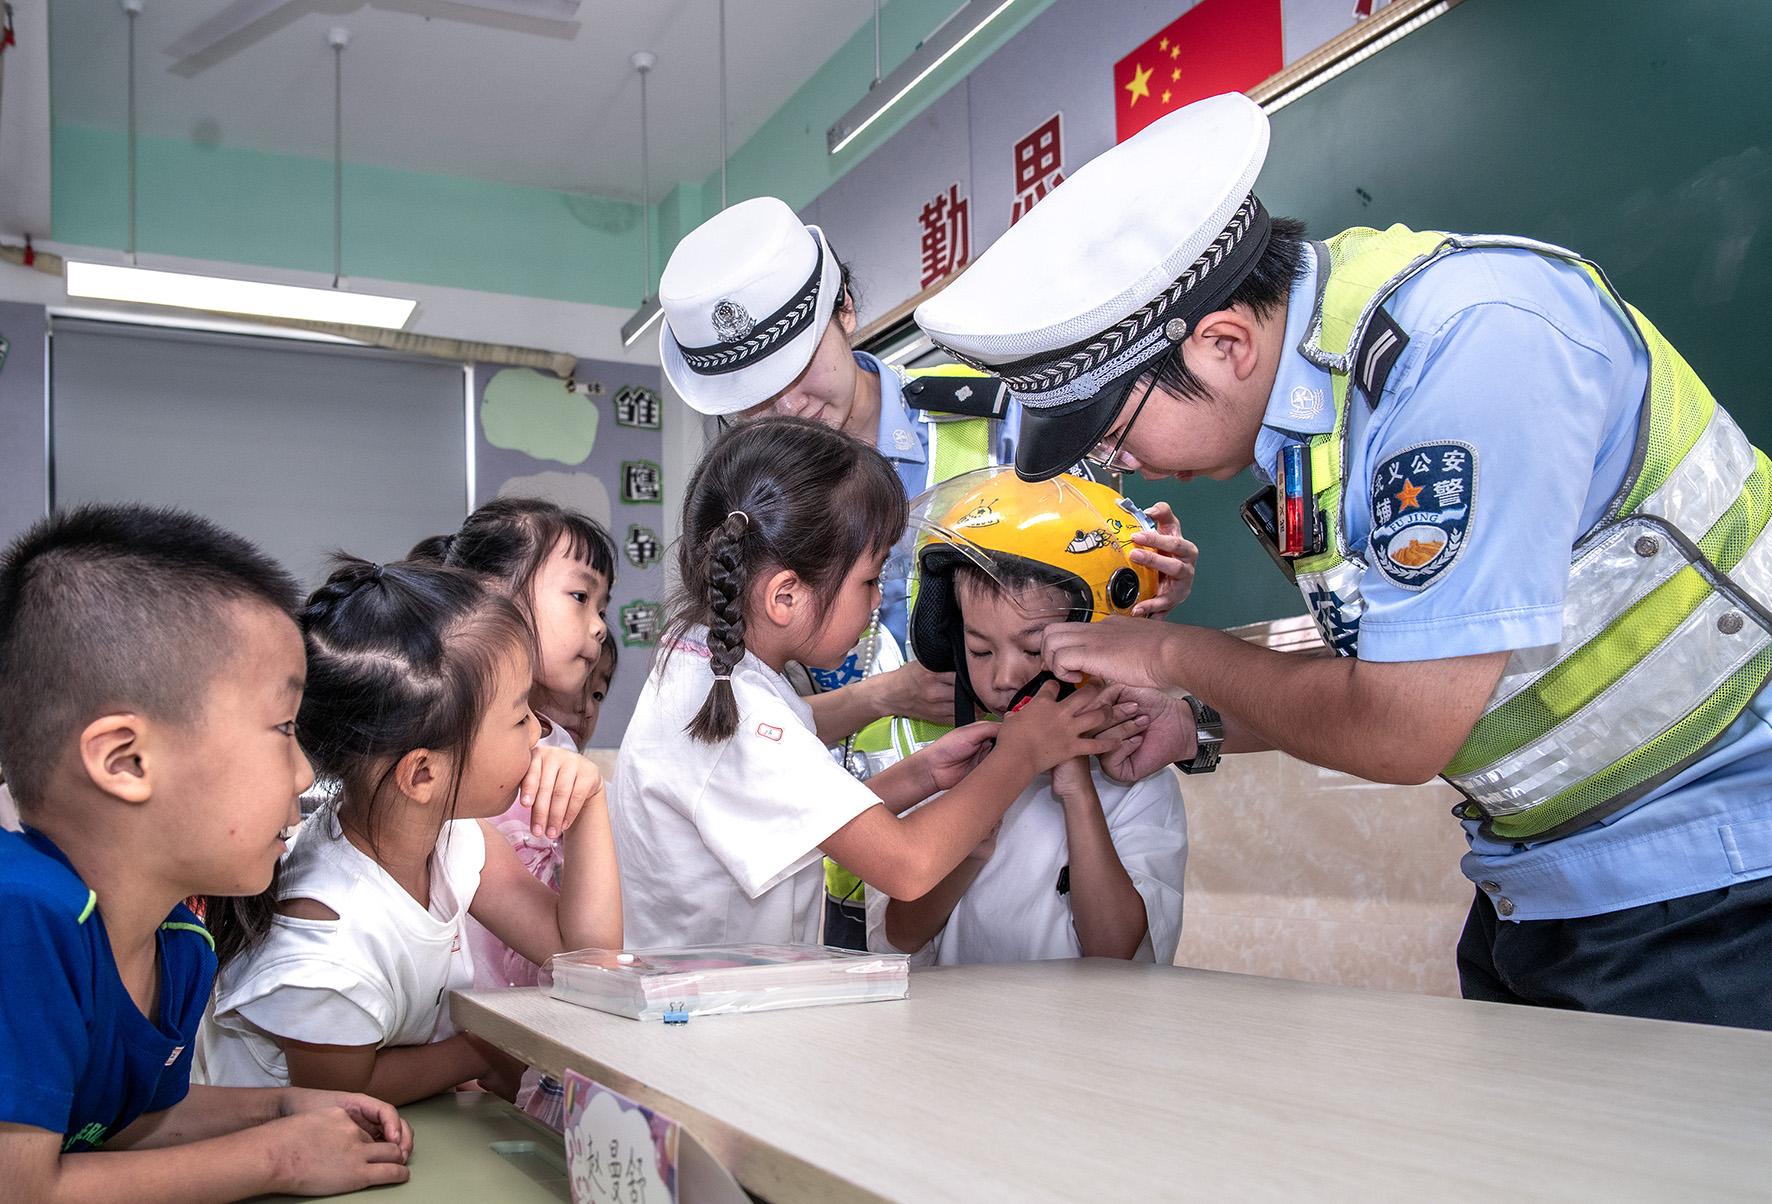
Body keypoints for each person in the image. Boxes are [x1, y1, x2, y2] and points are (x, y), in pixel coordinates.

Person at [915, 91, 1772, 1028]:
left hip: (1717, 871)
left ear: (1224, 343)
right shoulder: (1317, 403)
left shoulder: (1466, 349)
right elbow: (1399, 664)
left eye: (1115, 431)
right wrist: (1196, 722)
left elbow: (1401, 729)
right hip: (1553, 882)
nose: (1122, 464)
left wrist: (1170, 654)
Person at [658, 195, 1196, 944]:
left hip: (1022, 833)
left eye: (798, 366)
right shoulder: (749, 492)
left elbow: (1093, 596)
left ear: (844, 310)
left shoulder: (995, 423)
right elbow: (742, 698)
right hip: (833, 863)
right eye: (752, 399)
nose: (786, 405)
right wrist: (885, 696)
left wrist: (1148, 593)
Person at [0, 505, 414, 1200]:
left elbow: (116, 1127)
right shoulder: (22, 918)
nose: (304, 774)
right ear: (127, 761)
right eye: (283, 728)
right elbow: (21, 1188)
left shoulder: (180, 940)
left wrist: (279, 1108)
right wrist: (276, 1157)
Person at [612, 417, 1121, 948]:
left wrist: (922, 774)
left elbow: (807, 820)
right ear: (786, 597)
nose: (878, 600)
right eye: (870, 579)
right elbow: (907, 866)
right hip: (711, 993)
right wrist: (1024, 752)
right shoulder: (744, 716)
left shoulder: (704, 666)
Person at [199, 559, 621, 1101]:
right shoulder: (325, 933)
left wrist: (588, 802)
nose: (540, 731)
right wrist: (482, 1049)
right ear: (423, 774)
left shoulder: (452, 840)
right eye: (519, 716)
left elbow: (587, 959)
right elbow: (344, 1092)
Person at [867, 467, 1188, 965]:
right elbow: (901, 937)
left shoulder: (1138, 786)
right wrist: (972, 828)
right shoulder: (948, 769)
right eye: (979, 651)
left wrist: (1077, 791)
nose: (1002, 678)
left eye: (1035, 649)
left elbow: (1115, 950)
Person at [409, 498, 618, 988]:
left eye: (603, 607)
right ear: (491, 593)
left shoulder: (556, 747)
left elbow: (591, 958)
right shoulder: (442, 753)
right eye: (580, 596)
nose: (599, 625)